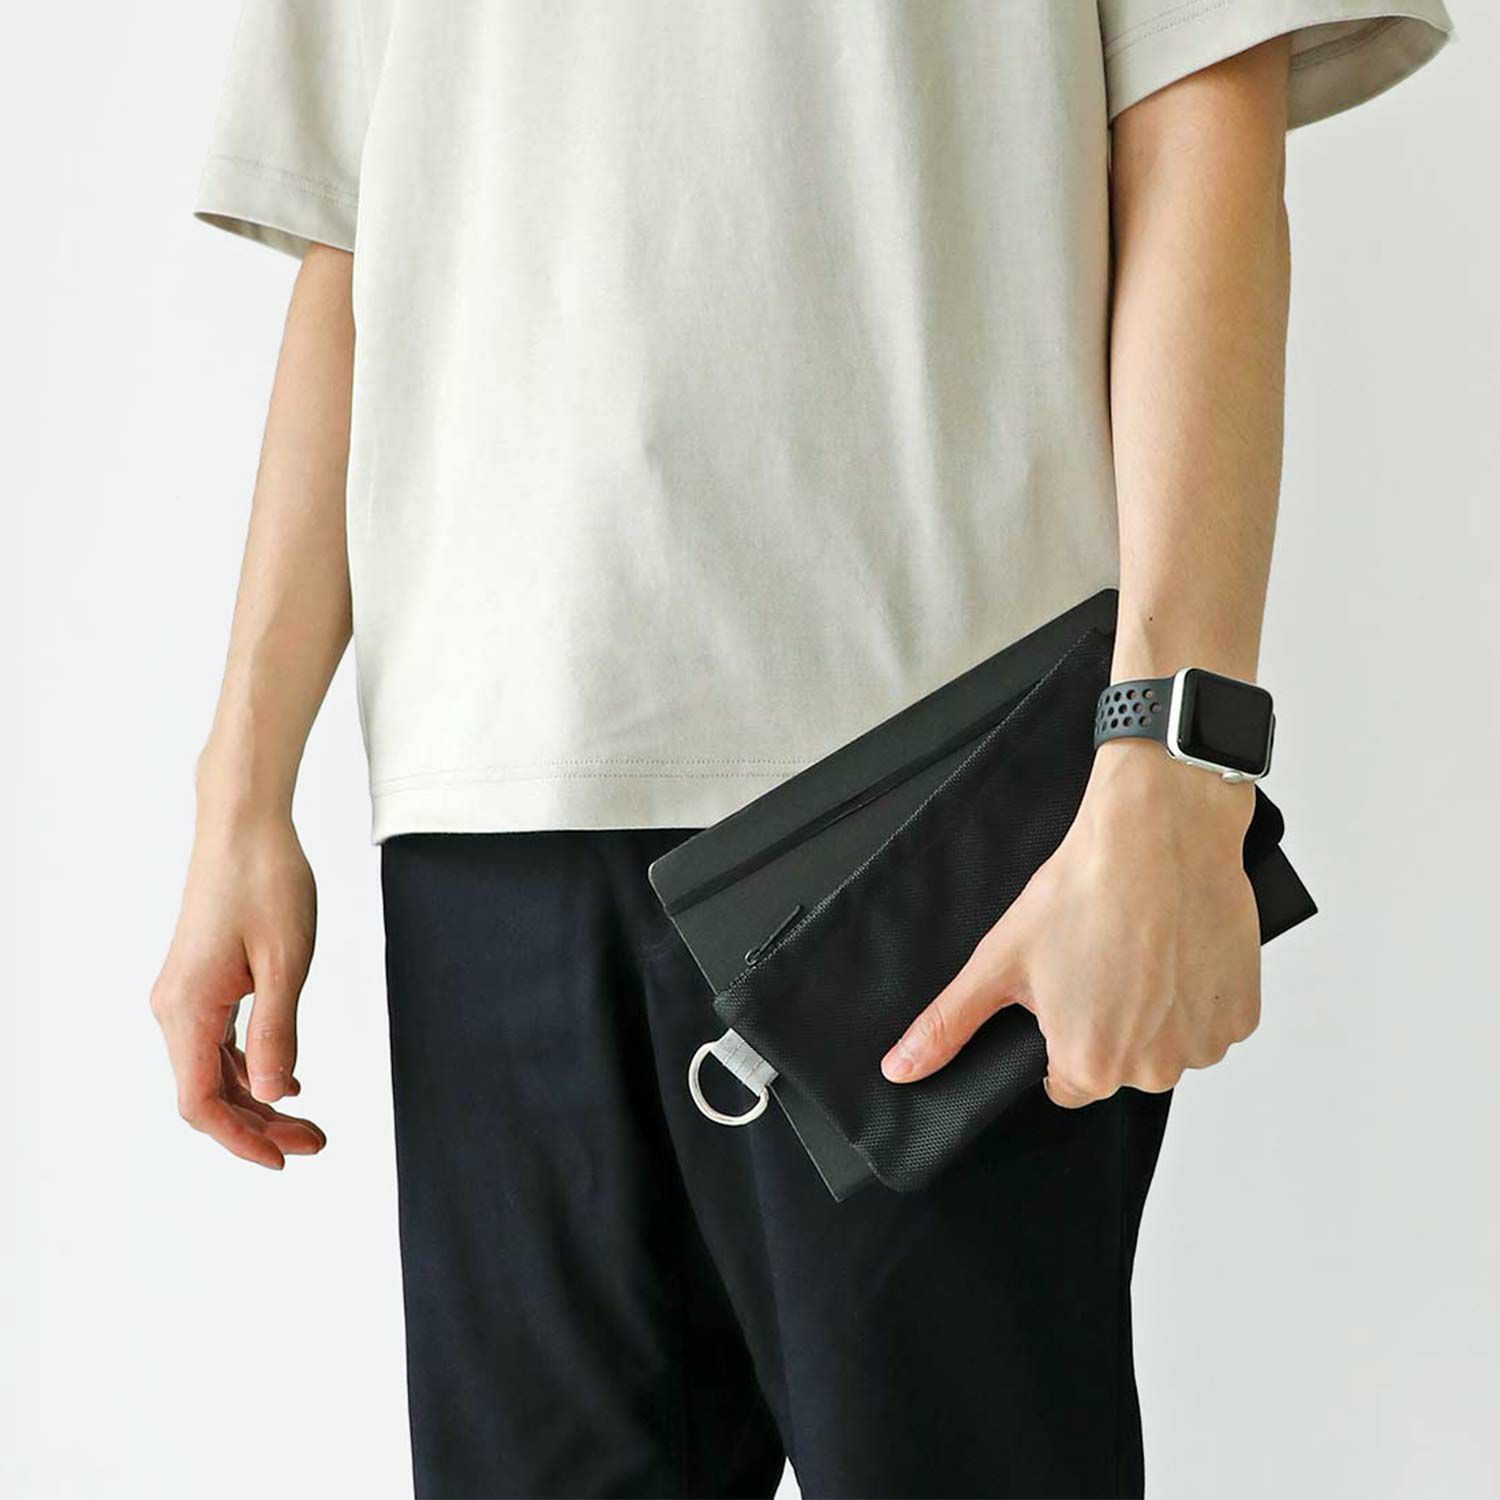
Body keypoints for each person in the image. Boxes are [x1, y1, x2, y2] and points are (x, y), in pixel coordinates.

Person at [152, 4, 1451, 1496]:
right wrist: (238, 790)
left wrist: (1178, 757)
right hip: (486, 796)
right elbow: (360, 237)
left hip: (931, 801)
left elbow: (1202, 118)